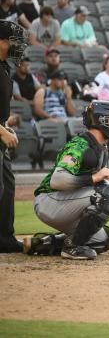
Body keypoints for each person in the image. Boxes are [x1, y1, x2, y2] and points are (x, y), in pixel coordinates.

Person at [24, 101, 109, 259]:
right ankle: (72, 247)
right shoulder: (79, 145)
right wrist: (98, 182)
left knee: (103, 240)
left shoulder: (101, 147)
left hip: (67, 203)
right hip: (50, 200)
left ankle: (43, 243)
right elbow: (58, 181)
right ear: (100, 121)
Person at [0, 20, 29, 253]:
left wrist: (4, 126)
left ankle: (4, 238)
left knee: (7, 185)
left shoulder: (5, 67)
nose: (18, 45)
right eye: (13, 41)